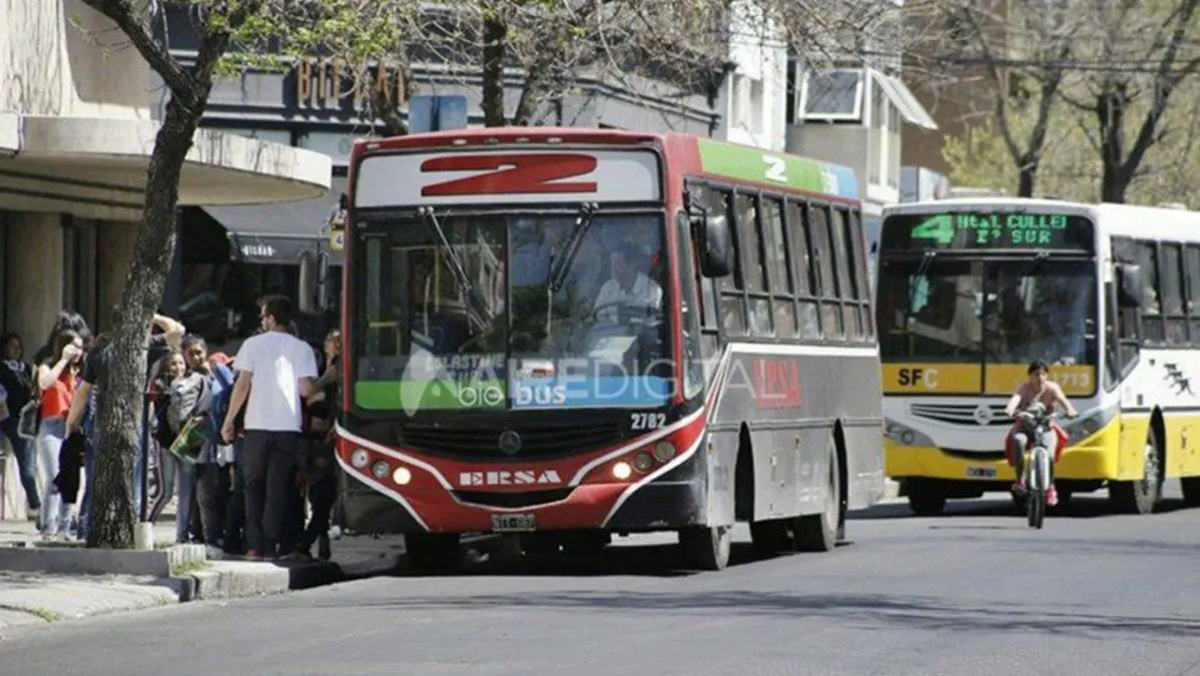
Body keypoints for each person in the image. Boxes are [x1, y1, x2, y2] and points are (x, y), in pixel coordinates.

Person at [222, 296, 318, 560]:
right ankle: (271, 544)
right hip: (288, 426)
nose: (262, 321)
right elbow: (306, 389)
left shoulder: (252, 345)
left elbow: (242, 385)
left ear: (271, 318)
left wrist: (229, 420)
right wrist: (328, 379)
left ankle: (254, 545)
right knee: (278, 488)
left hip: (256, 426)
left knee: (253, 487)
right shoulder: (302, 348)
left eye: (263, 316)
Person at [1004, 360, 1078, 507]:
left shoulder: (1052, 388)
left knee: (1049, 455)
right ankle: (1020, 481)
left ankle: (1050, 488)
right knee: (1018, 441)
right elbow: (1015, 400)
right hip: (1025, 427)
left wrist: (1070, 410)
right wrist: (1010, 409)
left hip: (1046, 428)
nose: (1040, 377)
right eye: (1036, 374)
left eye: (1043, 374)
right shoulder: (1024, 389)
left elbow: (1064, 401)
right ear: (1029, 376)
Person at [35, 330, 84, 538]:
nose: (78, 352)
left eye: (81, 347)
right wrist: (63, 360)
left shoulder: (80, 373)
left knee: (69, 478)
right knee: (54, 475)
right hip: (51, 425)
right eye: (74, 346)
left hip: (70, 427)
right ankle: (49, 525)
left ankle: (65, 526)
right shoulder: (48, 366)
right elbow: (44, 383)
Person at [0, 333, 40, 517]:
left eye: (18, 346)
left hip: (24, 421)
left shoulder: (25, 368)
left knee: (27, 462)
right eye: (12, 346)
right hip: (7, 418)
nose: (16, 350)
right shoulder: (2, 368)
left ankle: (34, 504)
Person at [592, 244, 663, 324]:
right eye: (612, 265)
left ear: (633, 265)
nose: (614, 270)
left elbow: (650, 323)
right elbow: (599, 319)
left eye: (618, 264)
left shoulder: (652, 290)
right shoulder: (607, 288)